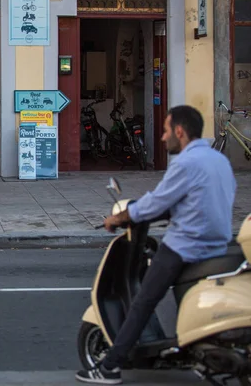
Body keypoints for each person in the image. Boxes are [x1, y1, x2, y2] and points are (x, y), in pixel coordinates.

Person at [75, 105, 237, 385]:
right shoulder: (218, 159)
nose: (162, 138)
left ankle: (109, 368)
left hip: (186, 246)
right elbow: (199, 199)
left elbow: (155, 202)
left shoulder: (186, 163)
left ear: (179, 131)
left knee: (143, 302)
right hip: (218, 245)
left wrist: (119, 218)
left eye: (164, 131)